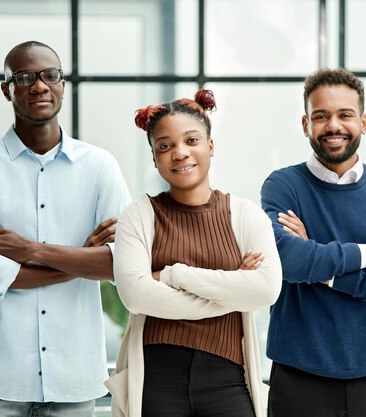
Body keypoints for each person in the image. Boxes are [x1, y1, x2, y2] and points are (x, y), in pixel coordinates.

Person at [0, 40, 132, 417]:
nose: (39, 86)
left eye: (50, 75)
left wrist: (31, 252)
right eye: (24, 77)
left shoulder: (100, 167)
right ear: (7, 89)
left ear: (63, 85)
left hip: (74, 379)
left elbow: (122, 265)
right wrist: (81, 259)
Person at [260, 68, 366, 417]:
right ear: (305, 125)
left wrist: (320, 267)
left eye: (345, 115)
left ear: (363, 122)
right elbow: (288, 261)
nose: (333, 125)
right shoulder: (282, 186)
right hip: (297, 376)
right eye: (320, 116)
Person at [106, 89, 282, 417]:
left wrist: (173, 275)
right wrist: (233, 287)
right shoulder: (139, 216)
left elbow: (266, 289)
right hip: (156, 379)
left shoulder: (245, 215)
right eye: (165, 146)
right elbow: (136, 297)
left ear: (210, 146)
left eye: (191, 140)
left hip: (229, 379)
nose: (179, 153)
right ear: (156, 157)